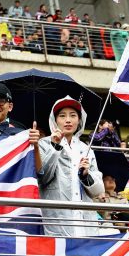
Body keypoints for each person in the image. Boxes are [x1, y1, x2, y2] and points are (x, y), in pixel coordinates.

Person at [29, 96, 104, 237]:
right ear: (55, 120)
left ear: (79, 120)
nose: (68, 120)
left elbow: (98, 191)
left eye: (73, 115)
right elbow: (43, 177)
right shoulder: (43, 144)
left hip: (86, 225)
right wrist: (55, 147)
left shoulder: (86, 149)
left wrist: (86, 175)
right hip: (56, 224)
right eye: (62, 116)